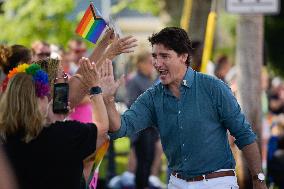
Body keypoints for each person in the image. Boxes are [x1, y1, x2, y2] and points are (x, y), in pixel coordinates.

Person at [100, 27, 268, 189]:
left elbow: (244, 134)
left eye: (164, 56)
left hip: (217, 183)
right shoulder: (152, 97)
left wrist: (258, 180)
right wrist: (108, 99)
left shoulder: (214, 88)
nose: (157, 63)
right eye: (155, 56)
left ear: (183, 56)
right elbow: (120, 128)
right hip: (177, 183)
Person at [0, 59, 109, 189]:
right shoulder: (67, 134)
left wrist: (52, 121)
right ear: (41, 99)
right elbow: (102, 128)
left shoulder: (5, 140)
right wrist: (95, 88)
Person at [123, 51, 163, 189]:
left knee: (149, 159)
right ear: (139, 64)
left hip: (151, 128)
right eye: (148, 63)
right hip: (141, 128)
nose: (151, 66)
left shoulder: (150, 80)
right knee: (143, 161)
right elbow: (132, 104)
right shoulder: (135, 80)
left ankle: (145, 184)